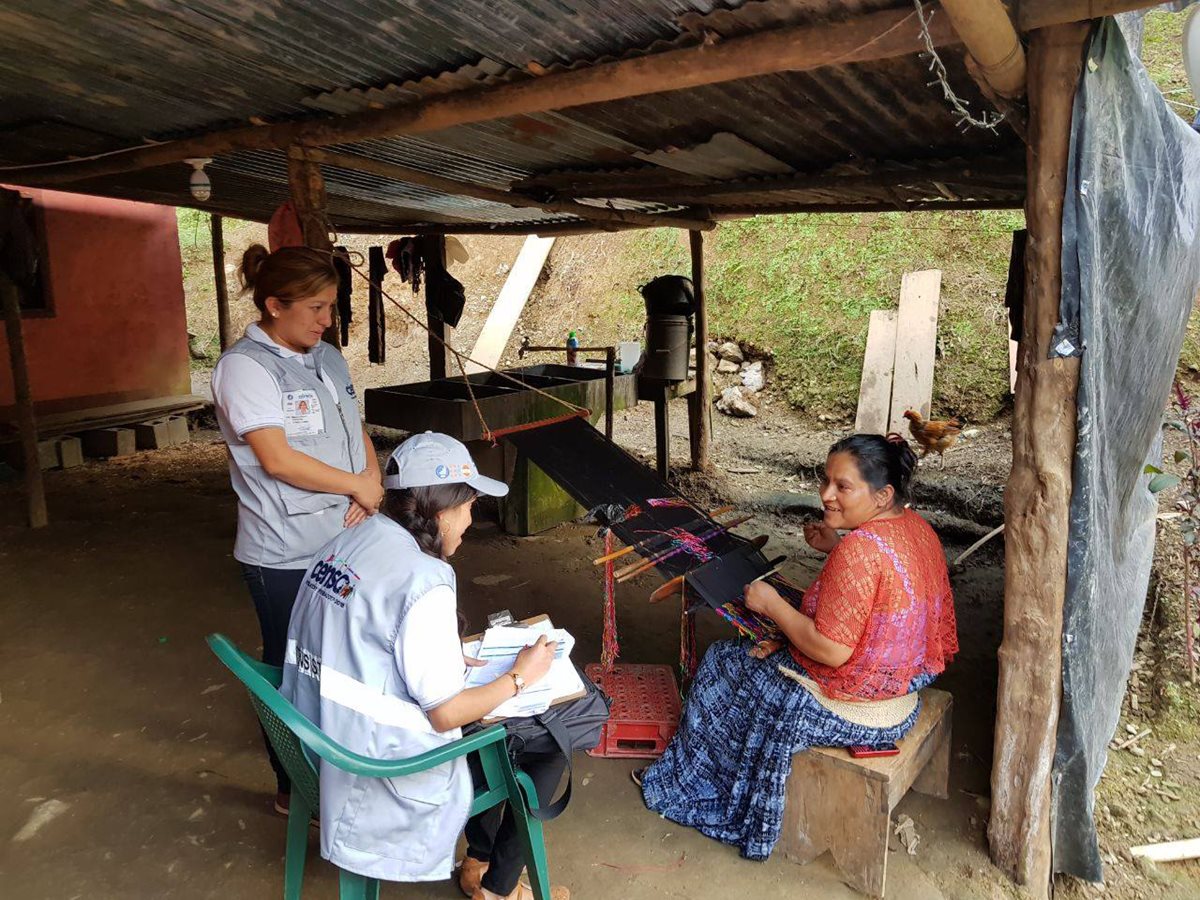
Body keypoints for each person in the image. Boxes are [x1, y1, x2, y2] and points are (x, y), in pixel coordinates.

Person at [638, 433, 958, 860]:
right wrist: (836, 548)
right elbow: (883, 592)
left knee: (723, 662)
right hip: (901, 691)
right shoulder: (915, 527)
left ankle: (694, 785)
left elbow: (832, 651)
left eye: (843, 487)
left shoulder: (861, 550)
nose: (826, 495)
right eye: (826, 480)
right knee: (753, 657)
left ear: (882, 495)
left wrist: (772, 605)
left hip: (859, 708)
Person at [281, 433, 571, 900]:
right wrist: (520, 676)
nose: (471, 521)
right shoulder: (425, 578)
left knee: (508, 731)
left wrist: (439, 651)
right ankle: (497, 887)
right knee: (553, 740)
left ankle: (478, 861)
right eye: (470, 507)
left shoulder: (349, 538)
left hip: (315, 742)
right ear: (442, 511)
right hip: (374, 769)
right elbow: (445, 713)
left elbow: (363, 635)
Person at [212, 244, 383, 814]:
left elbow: (355, 428)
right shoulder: (244, 368)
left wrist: (371, 479)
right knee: (292, 670)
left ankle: (338, 769)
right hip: (283, 552)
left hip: (342, 540)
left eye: (330, 306)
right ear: (273, 305)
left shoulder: (327, 357)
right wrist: (354, 485)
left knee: (340, 660)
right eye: (316, 307)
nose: (327, 320)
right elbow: (278, 459)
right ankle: (293, 788)